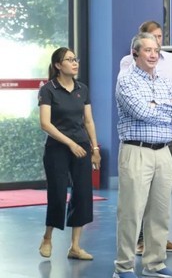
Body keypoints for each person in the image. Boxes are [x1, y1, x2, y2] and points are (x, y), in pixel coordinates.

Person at [113, 32, 172, 278]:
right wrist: (163, 108)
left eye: (156, 50)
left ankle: (155, 264)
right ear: (135, 53)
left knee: (160, 212)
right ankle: (124, 267)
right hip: (136, 151)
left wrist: (156, 104)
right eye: (148, 50)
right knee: (131, 212)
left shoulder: (164, 81)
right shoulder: (126, 80)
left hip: (163, 152)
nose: (153, 55)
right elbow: (141, 112)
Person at [38, 47, 101, 261]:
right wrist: (70, 143)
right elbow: (45, 124)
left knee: (82, 194)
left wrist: (95, 148)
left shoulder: (82, 89)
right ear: (58, 65)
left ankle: (75, 247)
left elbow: (88, 121)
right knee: (57, 194)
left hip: (81, 146)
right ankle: (48, 237)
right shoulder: (48, 90)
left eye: (76, 59)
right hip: (57, 147)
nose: (75, 63)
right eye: (69, 60)